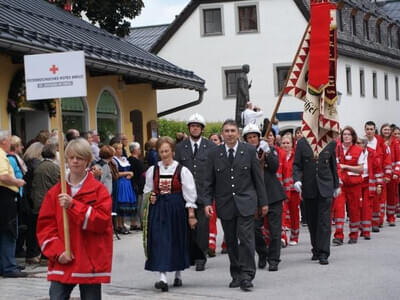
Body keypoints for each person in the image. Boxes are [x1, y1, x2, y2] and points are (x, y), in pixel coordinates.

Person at [36, 138, 113, 299]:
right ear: (66, 160)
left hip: (90, 259)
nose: (75, 161)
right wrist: (58, 253)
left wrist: (73, 205)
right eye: (71, 158)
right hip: (64, 258)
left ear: (87, 161)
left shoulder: (99, 191)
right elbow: (45, 228)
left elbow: (101, 223)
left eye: (80, 158)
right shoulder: (55, 192)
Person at [204, 119, 268, 292]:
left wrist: (263, 202)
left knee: (246, 240)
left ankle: (247, 276)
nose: (230, 134)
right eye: (227, 131)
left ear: (238, 133)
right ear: (222, 133)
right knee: (231, 241)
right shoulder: (214, 153)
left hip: (246, 202)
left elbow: (257, 179)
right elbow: (209, 181)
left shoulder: (248, 150)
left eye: (233, 130)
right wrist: (207, 203)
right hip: (225, 204)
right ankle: (236, 274)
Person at [143, 136, 197, 292]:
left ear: (172, 151)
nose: (164, 154)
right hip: (159, 209)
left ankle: (178, 274)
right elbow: (147, 190)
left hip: (176, 209)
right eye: (161, 151)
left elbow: (189, 193)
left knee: (176, 240)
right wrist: (151, 197)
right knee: (160, 241)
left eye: (167, 151)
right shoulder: (153, 170)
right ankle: (162, 277)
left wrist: (191, 214)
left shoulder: (182, 170)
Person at [175, 113, 217, 271]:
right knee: (187, 225)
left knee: (203, 226)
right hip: (185, 193)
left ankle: (201, 257)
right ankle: (189, 254)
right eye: (192, 126)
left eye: (198, 126)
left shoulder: (211, 147)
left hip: (204, 192)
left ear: (202, 129)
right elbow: (177, 170)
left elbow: (214, 171)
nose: (195, 128)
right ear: (188, 128)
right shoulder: (180, 148)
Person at [242, 124, 285, 272]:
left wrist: (268, 152)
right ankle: (262, 253)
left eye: (254, 136)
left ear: (259, 137)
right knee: (254, 229)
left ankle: (274, 259)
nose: (252, 139)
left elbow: (274, 167)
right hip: (254, 197)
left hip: (273, 195)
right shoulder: (244, 154)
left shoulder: (268, 149)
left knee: (275, 231)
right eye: (249, 137)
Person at [293, 135, 339, 265]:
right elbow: (297, 164)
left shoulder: (329, 142)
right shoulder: (302, 143)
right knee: (312, 221)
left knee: (324, 221)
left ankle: (324, 252)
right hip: (309, 186)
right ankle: (316, 249)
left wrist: (336, 184)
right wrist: (296, 179)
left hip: (325, 185)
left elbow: (333, 165)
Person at [0, 130, 27, 278]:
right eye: (9, 140)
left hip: (5, 197)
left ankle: (6, 264)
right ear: (3, 141)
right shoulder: (1, 155)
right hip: (5, 198)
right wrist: (17, 182)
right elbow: (3, 176)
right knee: (8, 231)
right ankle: (8, 267)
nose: (10, 142)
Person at [31, 144, 60, 260]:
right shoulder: (53, 167)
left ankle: (41, 253)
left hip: (38, 200)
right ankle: (47, 254)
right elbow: (60, 182)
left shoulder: (40, 166)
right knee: (50, 228)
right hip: (48, 201)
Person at [339, 127, 365, 244]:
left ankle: (354, 234)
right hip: (340, 185)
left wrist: (346, 167)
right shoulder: (337, 149)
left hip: (354, 185)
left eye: (349, 134)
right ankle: (338, 236)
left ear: (353, 136)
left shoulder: (358, 150)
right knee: (339, 209)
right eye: (344, 134)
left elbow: (360, 169)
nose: (346, 136)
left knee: (354, 210)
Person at [365, 121, 391, 232]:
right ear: (365, 130)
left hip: (378, 178)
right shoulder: (362, 144)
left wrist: (388, 174)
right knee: (366, 202)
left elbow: (387, 160)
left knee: (377, 201)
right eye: (367, 129)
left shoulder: (381, 144)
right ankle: (366, 222)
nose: (369, 131)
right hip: (366, 177)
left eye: (371, 129)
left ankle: (376, 222)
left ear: (375, 130)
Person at [207, 133, 227, 256]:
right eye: (211, 140)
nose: (213, 142)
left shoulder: (225, 154)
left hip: (225, 192)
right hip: (213, 193)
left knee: (226, 219)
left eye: (216, 140)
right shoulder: (208, 155)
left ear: (220, 142)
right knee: (211, 218)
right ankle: (211, 245)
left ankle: (227, 243)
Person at [281, 134, 301, 246]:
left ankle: (294, 236)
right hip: (282, 190)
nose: (285, 145)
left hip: (294, 190)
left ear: (292, 144)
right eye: (283, 143)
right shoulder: (279, 155)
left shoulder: (296, 156)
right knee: (282, 214)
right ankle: (283, 237)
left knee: (294, 214)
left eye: (288, 143)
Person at [112, 143, 136, 234]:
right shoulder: (114, 160)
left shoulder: (124, 159)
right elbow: (116, 174)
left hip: (126, 183)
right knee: (120, 204)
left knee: (125, 204)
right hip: (120, 183)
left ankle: (122, 225)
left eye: (121, 149)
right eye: (118, 149)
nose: (120, 150)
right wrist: (128, 173)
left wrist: (131, 174)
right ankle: (119, 225)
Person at [381, 123, 400, 226]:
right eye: (385, 129)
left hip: (393, 175)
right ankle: (379, 219)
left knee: (391, 197)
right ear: (381, 130)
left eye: (388, 130)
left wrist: (396, 172)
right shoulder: (378, 142)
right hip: (382, 174)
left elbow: (398, 160)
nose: (386, 131)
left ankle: (391, 217)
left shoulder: (395, 143)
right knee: (380, 197)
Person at [128, 142, 145, 230]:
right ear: (135, 150)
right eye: (139, 149)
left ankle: (134, 223)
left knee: (137, 205)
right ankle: (141, 223)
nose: (140, 150)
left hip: (136, 185)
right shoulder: (135, 161)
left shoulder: (130, 160)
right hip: (138, 185)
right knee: (139, 205)